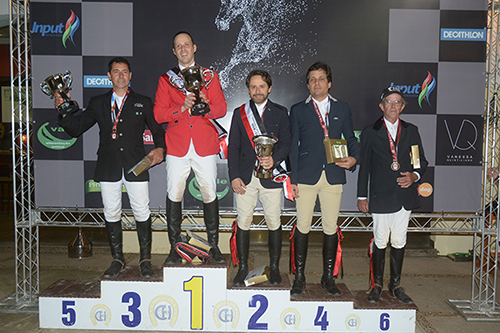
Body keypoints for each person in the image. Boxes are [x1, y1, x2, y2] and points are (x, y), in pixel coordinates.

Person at [55, 57, 166, 279]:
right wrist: (63, 111)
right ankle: (118, 259)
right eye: (116, 71)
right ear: (109, 76)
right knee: (111, 212)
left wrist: (160, 149)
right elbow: (76, 129)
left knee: (142, 211)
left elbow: (157, 130)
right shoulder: (97, 102)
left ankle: (145, 259)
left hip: (137, 166)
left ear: (130, 76)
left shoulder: (142, 101)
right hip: (108, 165)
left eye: (125, 71)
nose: (121, 75)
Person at [154, 31, 227, 264]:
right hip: (177, 146)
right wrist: (181, 108)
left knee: (209, 193)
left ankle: (214, 246)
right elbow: (158, 114)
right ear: (174, 51)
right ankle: (175, 246)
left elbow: (222, 108)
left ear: (194, 47)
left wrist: (207, 105)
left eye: (187, 45)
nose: (183, 49)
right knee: (174, 194)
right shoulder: (166, 80)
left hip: (204, 144)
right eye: (178, 46)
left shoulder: (210, 76)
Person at [289, 61, 359, 296]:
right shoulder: (298, 109)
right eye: (312, 79)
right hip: (306, 176)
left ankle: (328, 278)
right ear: (308, 85)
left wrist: (353, 159)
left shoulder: (343, 108)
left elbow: (351, 138)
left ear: (329, 83)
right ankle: (299, 277)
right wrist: (293, 179)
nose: (316, 83)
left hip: (333, 175)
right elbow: (292, 147)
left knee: (330, 227)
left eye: (321, 79)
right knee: (302, 226)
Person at [357, 86, 428, 304]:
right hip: (380, 196)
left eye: (397, 102)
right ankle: (376, 285)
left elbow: (420, 162)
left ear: (403, 107)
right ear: (382, 106)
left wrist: (414, 176)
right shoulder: (371, 131)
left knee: (399, 240)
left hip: (404, 196)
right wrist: (362, 196)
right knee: (380, 239)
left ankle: (395, 284)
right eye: (389, 102)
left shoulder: (411, 130)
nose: (393, 106)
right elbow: (365, 167)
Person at [228, 69, 292, 286]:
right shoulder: (239, 113)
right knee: (243, 221)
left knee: (274, 221)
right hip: (246, 177)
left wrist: (274, 160)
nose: (257, 90)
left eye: (261, 86)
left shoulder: (281, 112)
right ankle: (243, 268)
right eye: (253, 87)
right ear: (248, 90)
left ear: (269, 88)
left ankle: (274, 268)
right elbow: (233, 146)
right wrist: (234, 176)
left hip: (271, 177)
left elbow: (286, 144)